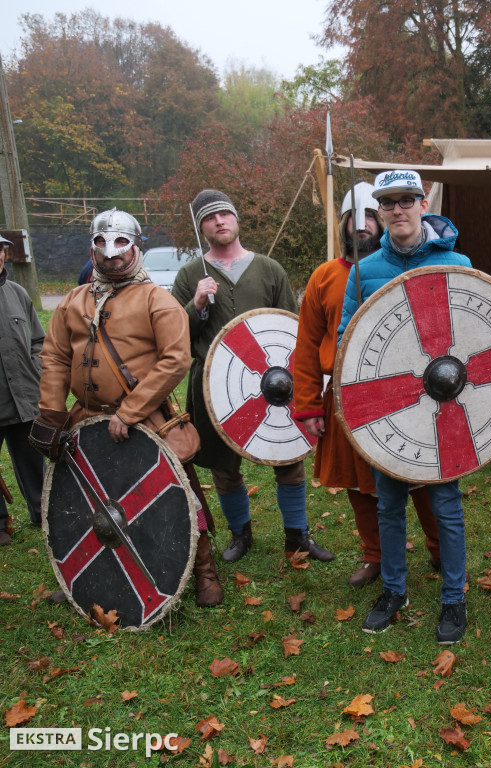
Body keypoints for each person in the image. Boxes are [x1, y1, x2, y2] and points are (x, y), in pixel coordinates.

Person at [32, 210, 222, 605]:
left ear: (136, 248)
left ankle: (205, 572)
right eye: (102, 244)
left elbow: (175, 359)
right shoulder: (73, 302)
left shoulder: (158, 299)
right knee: (89, 501)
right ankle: (83, 574)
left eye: (121, 244)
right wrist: (51, 414)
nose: (111, 253)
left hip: (146, 418)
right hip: (86, 419)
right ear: (92, 248)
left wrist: (130, 412)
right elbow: (53, 358)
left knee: (177, 492)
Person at [336, 170, 471, 644]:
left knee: (446, 505)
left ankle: (454, 598)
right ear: (378, 211)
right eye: (387, 203)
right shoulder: (364, 271)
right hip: (389, 405)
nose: (397, 210)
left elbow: (474, 332)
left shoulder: (457, 261)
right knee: (389, 503)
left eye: (406, 200)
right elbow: (346, 338)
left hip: (445, 401)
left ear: (422, 201)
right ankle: (394, 589)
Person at [293, 181, 443, 587]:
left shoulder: (405, 268)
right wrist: (306, 406)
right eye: (352, 218)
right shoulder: (324, 277)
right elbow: (306, 344)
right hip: (347, 395)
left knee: (423, 478)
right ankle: (375, 556)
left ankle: (439, 550)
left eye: (370, 217)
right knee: (361, 485)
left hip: (412, 392)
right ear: (342, 225)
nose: (361, 226)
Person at [171, 190, 333, 565]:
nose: (220, 222)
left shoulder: (269, 269)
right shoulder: (190, 275)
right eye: (210, 218)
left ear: (236, 219)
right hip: (216, 387)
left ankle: (297, 537)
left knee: (288, 457)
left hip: (277, 382)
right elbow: (176, 334)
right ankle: (240, 534)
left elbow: (295, 332)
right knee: (224, 466)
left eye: (225, 214)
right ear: (202, 228)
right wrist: (194, 305)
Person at [0, 235, 45, 545]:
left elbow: (38, 342)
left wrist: (36, 371)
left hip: (24, 399)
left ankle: (42, 511)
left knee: (32, 459)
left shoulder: (17, 293)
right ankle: (0, 525)